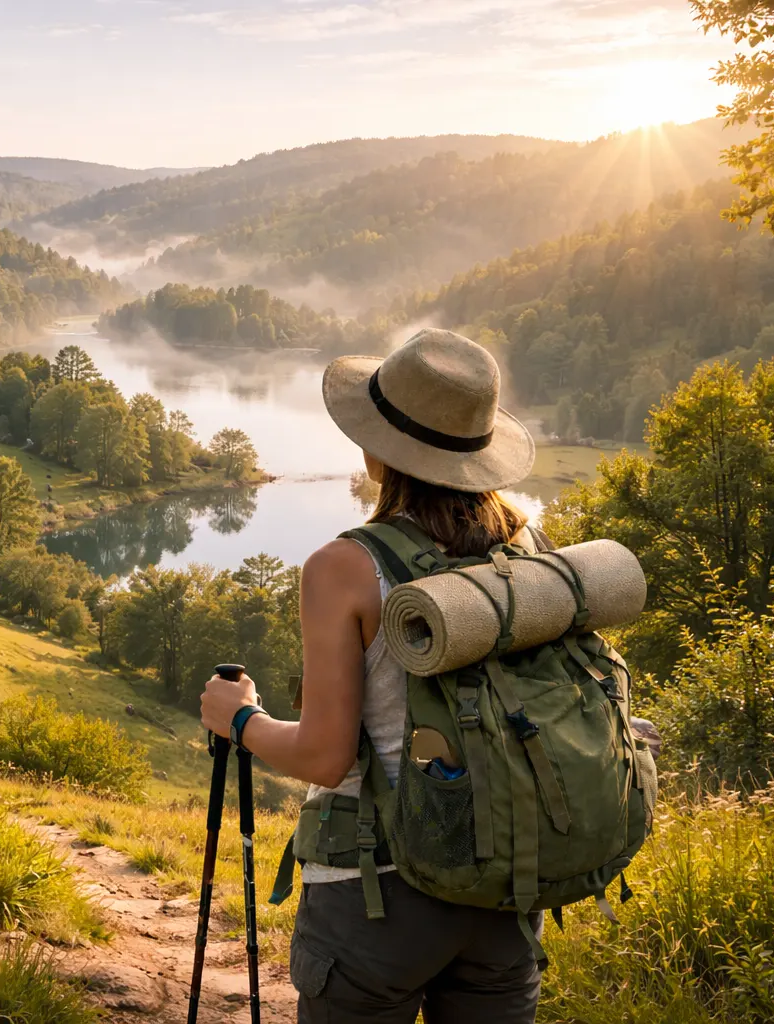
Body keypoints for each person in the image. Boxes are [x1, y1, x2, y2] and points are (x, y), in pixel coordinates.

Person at [200, 329, 542, 1023]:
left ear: (381, 448)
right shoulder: (525, 548)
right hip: (506, 887)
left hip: (378, 897)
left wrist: (239, 719)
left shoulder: (347, 568)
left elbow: (327, 758)